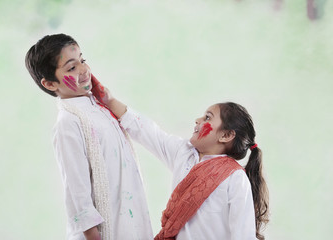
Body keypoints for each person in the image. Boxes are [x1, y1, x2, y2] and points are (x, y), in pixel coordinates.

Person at [91, 78, 269, 240]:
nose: (198, 120)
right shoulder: (183, 153)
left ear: (226, 135)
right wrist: (109, 100)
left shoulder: (235, 178)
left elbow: (243, 236)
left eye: (207, 117)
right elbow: (148, 131)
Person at [25, 33, 153, 240]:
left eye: (82, 60)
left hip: (128, 221)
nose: (84, 70)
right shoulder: (69, 123)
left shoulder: (100, 106)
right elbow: (77, 193)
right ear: (50, 84)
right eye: (71, 68)